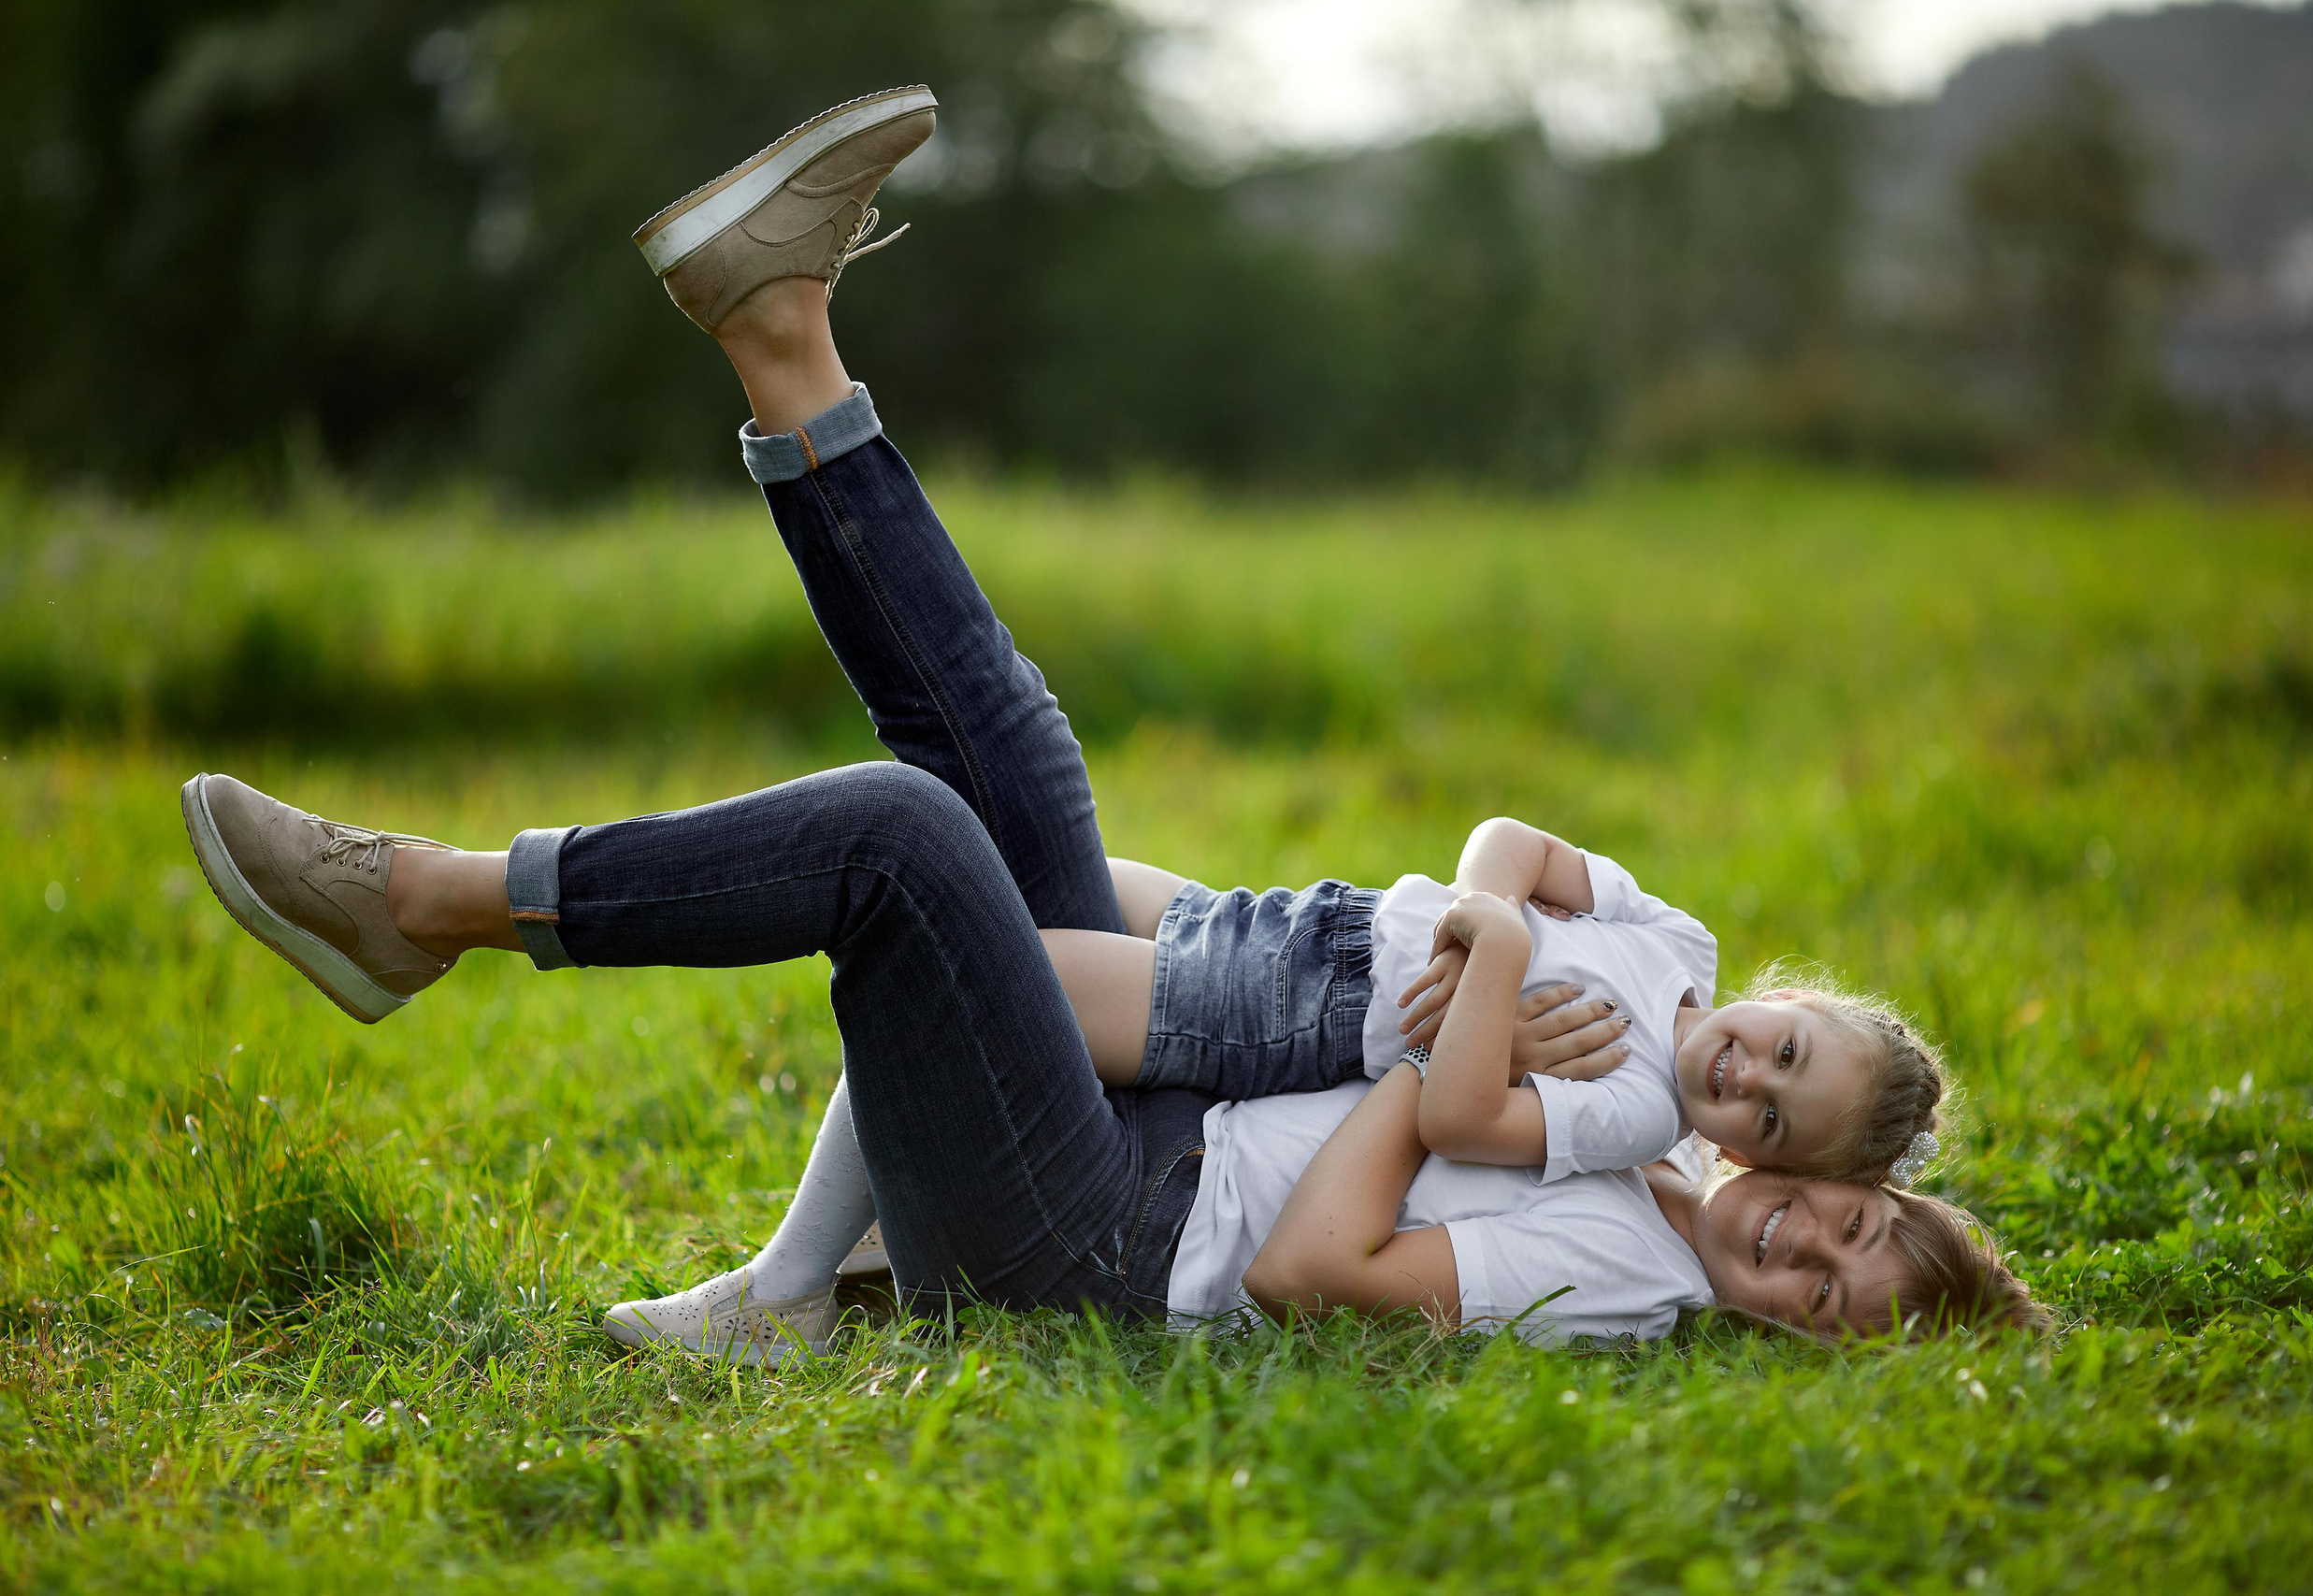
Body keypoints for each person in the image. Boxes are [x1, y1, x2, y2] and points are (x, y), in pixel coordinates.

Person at [177, 85, 2046, 1365]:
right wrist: (1454, 956)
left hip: (1097, 1239)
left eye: (1829, 1291)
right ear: (1826, 1170)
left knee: (907, 846)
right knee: (1010, 762)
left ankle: (427, 904)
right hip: (1157, 1099)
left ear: (1807, 1332)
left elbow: (1319, 1269)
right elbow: (1471, 911)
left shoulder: (1625, 1275)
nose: (1798, 1243)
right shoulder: (1649, 1107)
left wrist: (1441, 1034)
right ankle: (781, 336)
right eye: (1837, 1216)